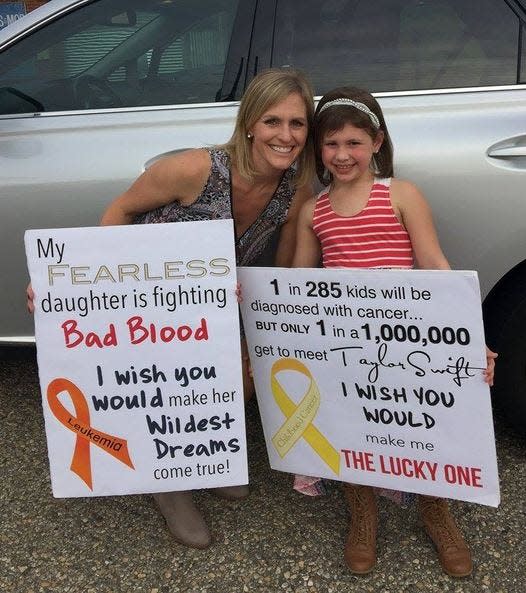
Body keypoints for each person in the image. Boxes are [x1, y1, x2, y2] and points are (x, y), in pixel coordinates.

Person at [28, 68, 316, 549]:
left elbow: (281, 271)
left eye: (297, 123)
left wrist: (267, 334)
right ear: (249, 123)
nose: (285, 136)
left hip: (207, 312)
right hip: (143, 306)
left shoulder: (295, 189)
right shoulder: (195, 169)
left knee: (247, 368)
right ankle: (164, 479)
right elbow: (119, 211)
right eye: (272, 121)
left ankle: (200, 452)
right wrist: (77, 286)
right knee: (152, 383)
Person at [291, 87, 497, 577]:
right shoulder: (312, 211)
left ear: (377, 142)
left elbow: (434, 265)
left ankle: (436, 511)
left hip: (409, 339)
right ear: (318, 148)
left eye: (354, 143)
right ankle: (362, 512)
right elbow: (296, 287)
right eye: (331, 143)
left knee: (420, 420)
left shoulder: (399, 195)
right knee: (354, 421)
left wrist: (470, 334)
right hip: (345, 341)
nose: (342, 155)